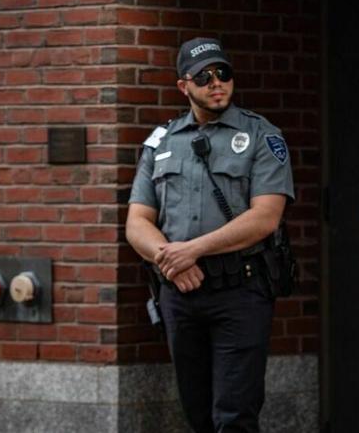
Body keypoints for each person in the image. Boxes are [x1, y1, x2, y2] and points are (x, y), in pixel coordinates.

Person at [126, 37, 294, 433]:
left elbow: (266, 217)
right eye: (204, 76)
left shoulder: (261, 135)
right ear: (184, 86)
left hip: (240, 291)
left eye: (224, 73)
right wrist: (170, 260)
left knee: (233, 415)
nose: (216, 82)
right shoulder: (162, 142)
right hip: (180, 295)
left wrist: (192, 252)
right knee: (197, 414)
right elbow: (137, 222)